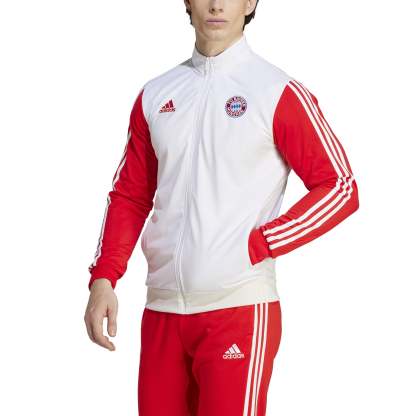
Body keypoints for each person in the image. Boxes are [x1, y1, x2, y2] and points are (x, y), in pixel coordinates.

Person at [84, 0, 360, 414]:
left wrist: (262, 243)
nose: (216, 5)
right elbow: (130, 194)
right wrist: (104, 278)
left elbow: (340, 186)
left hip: (238, 307)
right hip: (162, 311)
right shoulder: (156, 94)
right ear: (187, 2)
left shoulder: (276, 91)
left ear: (250, 2)